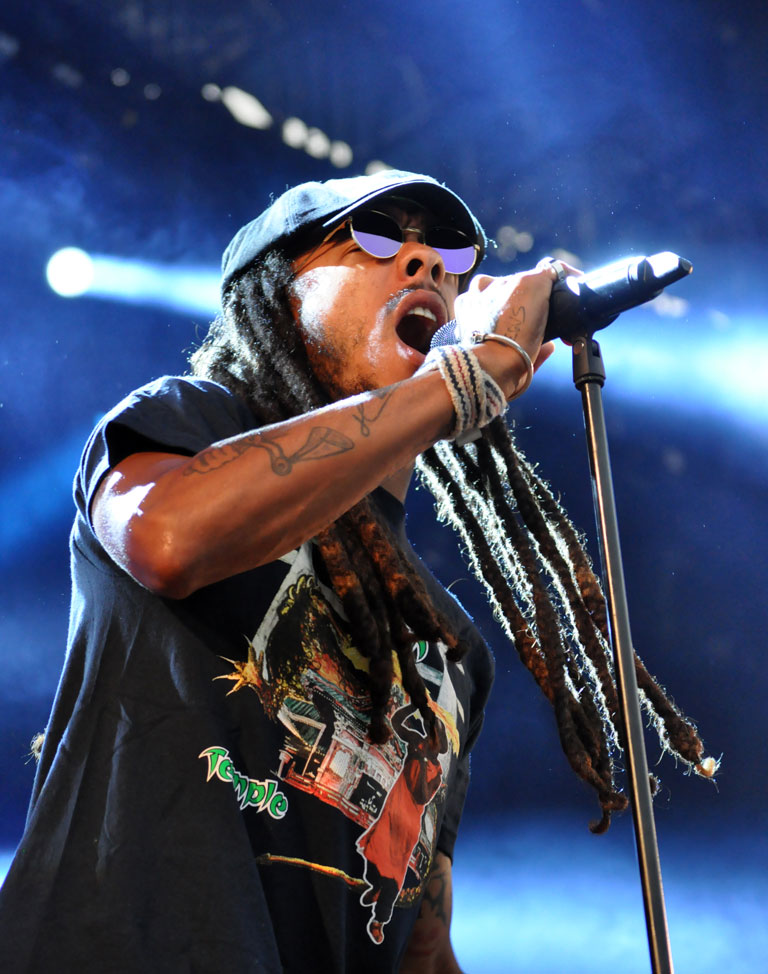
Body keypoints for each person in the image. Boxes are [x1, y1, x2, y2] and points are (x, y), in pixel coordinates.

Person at [0, 170, 715, 973]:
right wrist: (463, 379)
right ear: (280, 290)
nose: (425, 261)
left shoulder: (448, 646)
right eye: (375, 235)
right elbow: (165, 540)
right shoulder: (184, 429)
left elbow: (421, 947)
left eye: (449, 252)